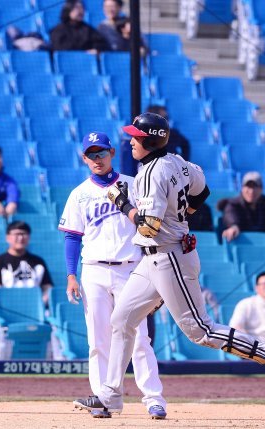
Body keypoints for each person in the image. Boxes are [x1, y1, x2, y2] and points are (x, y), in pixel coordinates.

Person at [83, 112, 265, 417]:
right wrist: (179, 219)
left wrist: (123, 203)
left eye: (136, 137)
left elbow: (148, 228)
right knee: (122, 320)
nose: (130, 142)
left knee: (200, 331)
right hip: (155, 258)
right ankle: (110, 395)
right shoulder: (179, 162)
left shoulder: (152, 173)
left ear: (150, 141)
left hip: (169, 258)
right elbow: (202, 191)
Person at [58, 131, 166, 420]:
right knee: (98, 339)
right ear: (84, 158)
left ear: (112, 153)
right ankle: (104, 399)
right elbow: (72, 237)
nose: (97, 158)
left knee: (140, 337)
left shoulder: (134, 184)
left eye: (102, 152)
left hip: (131, 268)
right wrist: (71, 275)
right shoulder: (79, 194)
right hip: (93, 269)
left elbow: (151, 226)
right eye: (91, 154)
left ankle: (153, 398)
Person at [0, 221, 53, 305]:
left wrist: (41, 302)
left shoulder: (38, 261)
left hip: (35, 305)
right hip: (8, 305)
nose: (21, 238)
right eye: (16, 234)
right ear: (7, 237)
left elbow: (47, 286)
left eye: (24, 234)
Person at [219, 172, 265, 242]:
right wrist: (234, 227)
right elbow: (230, 216)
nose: (251, 191)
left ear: (261, 189)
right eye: (248, 186)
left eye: (255, 187)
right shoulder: (233, 204)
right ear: (242, 188)